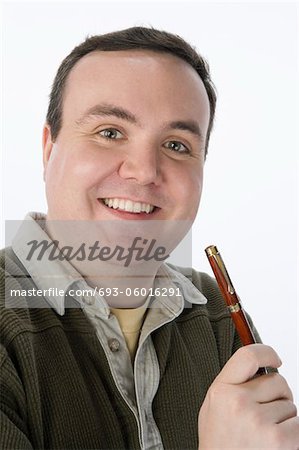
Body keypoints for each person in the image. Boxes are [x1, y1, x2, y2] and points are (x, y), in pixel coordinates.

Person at [0, 27, 298, 450]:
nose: (144, 171)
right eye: (110, 132)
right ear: (49, 148)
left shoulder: (214, 313)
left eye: (176, 144)